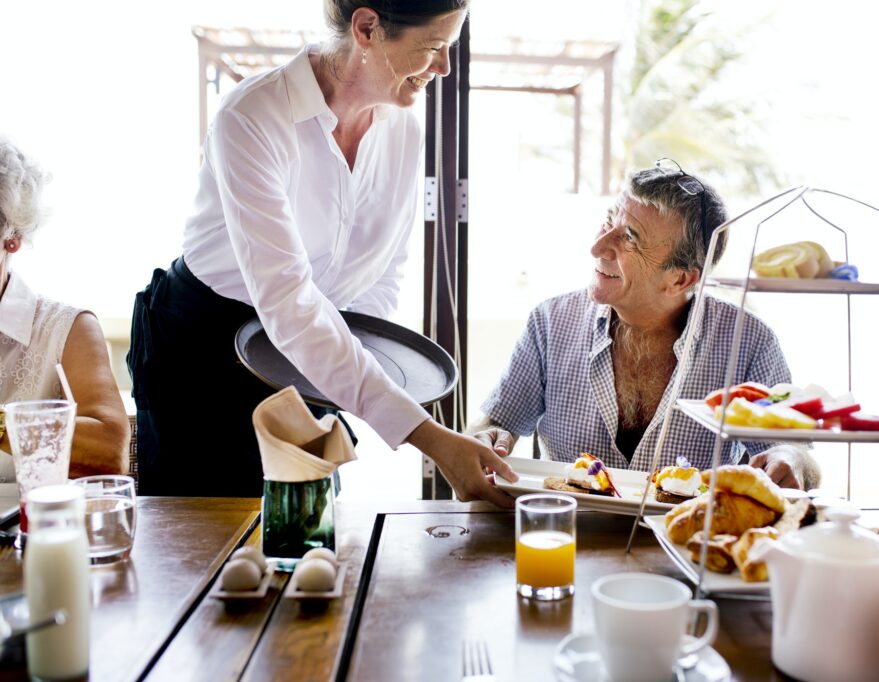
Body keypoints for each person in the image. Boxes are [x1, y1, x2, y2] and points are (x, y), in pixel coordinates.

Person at [128, 0, 517, 501]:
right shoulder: (253, 118)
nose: (443, 67)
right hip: (207, 352)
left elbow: (382, 275)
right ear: (368, 27)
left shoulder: (403, 132)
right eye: (433, 48)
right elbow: (288, 301)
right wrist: (431, 439)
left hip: (315, 349)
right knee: (210, 549)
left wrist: (346, 383)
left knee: (307, 534)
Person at [472, 163, 819, 488]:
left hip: (689, 543)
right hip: (569, 535)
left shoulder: (748, 340)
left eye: (629, 238)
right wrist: (487, 438)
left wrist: (789, 459)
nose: (597, 247)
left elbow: (797, 453)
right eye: (608, 222)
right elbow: (496, 423)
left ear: (680, 279)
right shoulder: (550, 322)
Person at [0, 138, 130, 478]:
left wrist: (1, 423)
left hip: (36, 529)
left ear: (11, 237)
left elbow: (111, 452)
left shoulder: (67, 329)